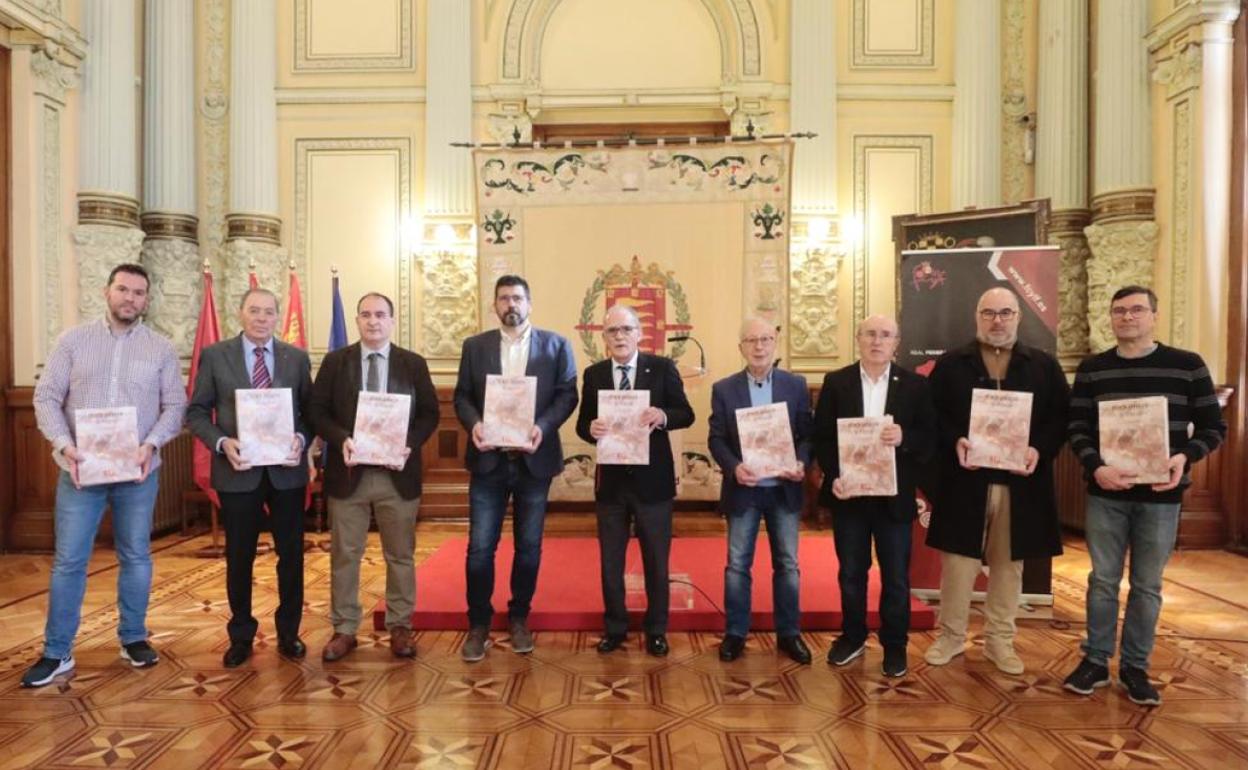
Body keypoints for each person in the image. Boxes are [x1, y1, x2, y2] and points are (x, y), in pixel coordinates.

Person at [22, 264, 187, 688]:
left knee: (136, 556)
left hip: (138, 473)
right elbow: (46, 397)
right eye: (123, 289)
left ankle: (133, 637)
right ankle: (57, 651)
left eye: (138, 292)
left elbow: (175, 406)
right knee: (69, 561)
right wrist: (64, 445)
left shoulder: (161, 349)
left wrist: (151, 444)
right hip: (80, 471)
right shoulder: (73, 341)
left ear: (146, 300)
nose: (130, 298)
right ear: (107, 291)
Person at [1062, 285, 1226, 705]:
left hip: (1161, 496)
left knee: (1147, 585)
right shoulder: (1093, 368)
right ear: (1111, 318)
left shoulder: (1187, 366)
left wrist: (1182, 459)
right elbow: (1076, 428)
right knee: (1101, 580)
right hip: (1106, 493)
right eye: (1119, 311)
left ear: (1154, 315)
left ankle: (1135, 666)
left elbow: (1213, 429)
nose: (1127, 317)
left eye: (1136, 310)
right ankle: (1096, 660)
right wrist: (1096, 466)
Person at [924, 287, 1069, 675]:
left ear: (1018, 316)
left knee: (1008, 566)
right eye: (989, 313)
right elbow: (931, 416)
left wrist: (1039, 448)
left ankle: (999, 641)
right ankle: (951, 637)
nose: (997, 320)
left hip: (1020, 485)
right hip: (965, 481)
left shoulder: (1043, 365)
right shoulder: (952, 364)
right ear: (977, 316)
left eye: (1005, 312)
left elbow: (1060, 419)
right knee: (958, 564)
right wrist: (954, 439)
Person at [452, 275, 578, 661]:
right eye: (504, 298)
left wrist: (543, 427)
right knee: (479, 549)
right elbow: (462, 396)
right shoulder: (475, 347)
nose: (511, 304)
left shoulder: (556, 346)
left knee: (528, 548)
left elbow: (567, 394)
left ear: (530, 303)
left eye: (518, 298)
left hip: (532, 462)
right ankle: (479, 624)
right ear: (494, 305)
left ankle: (519, 616)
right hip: (489, 461)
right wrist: (474, 424)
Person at [309, 292, 440, 661]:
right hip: (348, 474)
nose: (373, 321)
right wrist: (341, 439)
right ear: (357, 320)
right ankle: (345, 628)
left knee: (400, 554)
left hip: (396, 475)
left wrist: (409, 443)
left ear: (392, 320)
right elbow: (317, 411)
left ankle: (400, 625)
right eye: (365, 314)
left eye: (380, 314)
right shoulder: (336, 362)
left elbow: (429, 413)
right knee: (345, 554)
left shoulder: (412, 364)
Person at [187, 288, 313, 668]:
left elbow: (309, 413)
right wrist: (222, 442)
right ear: (240, 313)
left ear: (277, 317)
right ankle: (241, 634)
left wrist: (302, 438)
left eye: (269, 312)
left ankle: (289, 633)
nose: (262, 318)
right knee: (238, 557)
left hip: (286, 473)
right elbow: (196, 412)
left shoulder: (296, 358)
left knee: (290, 556)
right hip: (237, 471)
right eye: (254, 311)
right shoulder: (215, 356)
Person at [814, 314, 935, 677]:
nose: (877, 341)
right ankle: (852, 637)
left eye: (885, 335)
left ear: (897, 342)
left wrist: (904, 438)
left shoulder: (915, 386)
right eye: (870, 334)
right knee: (852, 572)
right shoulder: (837, 382)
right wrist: (834, 475)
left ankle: (894, 645)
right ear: (858, 339)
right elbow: (822, 437)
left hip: (893, 499)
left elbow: (930, 439)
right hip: (849, 496)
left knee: (896, 576)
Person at [575, 304, 694, 657]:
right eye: (613, 331)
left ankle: (656, 629)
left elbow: (685, 414)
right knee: (610, 562)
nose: (620, 337)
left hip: (652, 483)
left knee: (656, 560)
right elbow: (584, 425)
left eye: (626, 329)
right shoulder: (594, 374)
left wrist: (662, 415)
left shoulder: (661, 368)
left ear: (640, 333)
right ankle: (615, 628)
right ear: (604, 337)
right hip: (611, 485)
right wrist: (591, 429)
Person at [708, 317, 813, 664]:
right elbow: (717, 438)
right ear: (741, 347)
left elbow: (806, 434)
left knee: (788, 563)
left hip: (784, 489)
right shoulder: (724, 389)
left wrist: (801, 461)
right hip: (745, 490)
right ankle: (736, 633)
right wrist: (733, 467)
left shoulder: (795, 385)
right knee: (737, 564)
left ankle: (789, 633)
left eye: (766, 339)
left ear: (775, 343)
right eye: (751, 340)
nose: (759, 346)